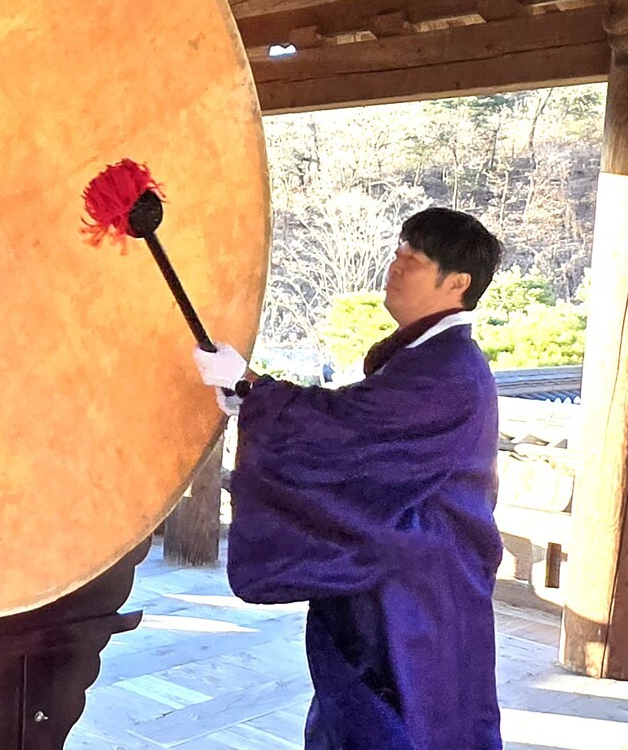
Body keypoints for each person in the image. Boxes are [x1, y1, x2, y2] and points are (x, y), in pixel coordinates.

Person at [194, 207, 504, 750]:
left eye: (414, 258)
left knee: (404, 721)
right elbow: (355, 427)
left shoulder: (448, 367)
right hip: (402, 573)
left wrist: (253, 391)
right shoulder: (429, 358)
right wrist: (252, 395)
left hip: (415, 592)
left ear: (457, 284)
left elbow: (350, 432)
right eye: (398, 251)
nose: (395, 266)